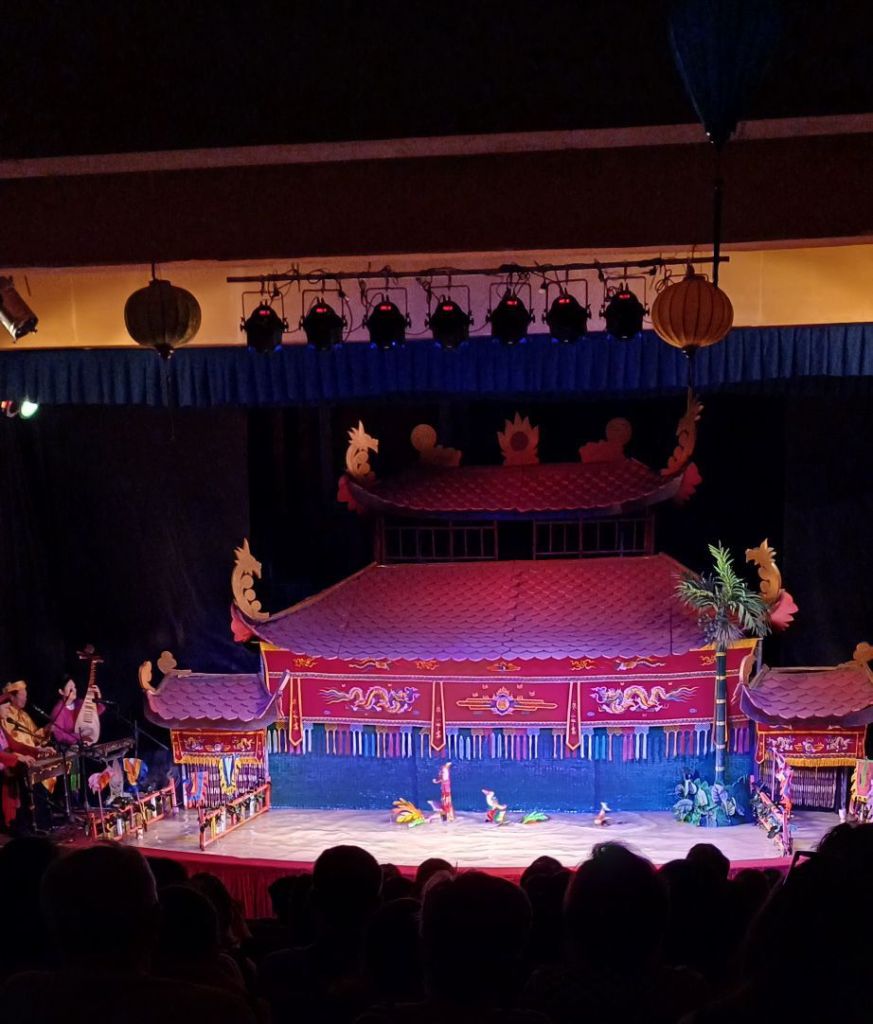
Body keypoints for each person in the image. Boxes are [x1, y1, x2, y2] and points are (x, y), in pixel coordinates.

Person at [48, 677, 105, 747]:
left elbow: (96, 712)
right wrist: (80, 736)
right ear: (61, 692)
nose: (74, 690)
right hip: (68, 749)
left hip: (85, 745)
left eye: (74, 687)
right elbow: (59, 735)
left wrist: (98, 698)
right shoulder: (58, 710)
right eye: (70, 688)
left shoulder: (79, 703)